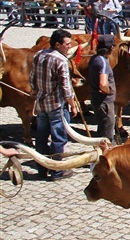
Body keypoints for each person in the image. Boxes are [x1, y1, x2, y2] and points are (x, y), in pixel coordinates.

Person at [29, 29, 78, 180]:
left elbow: (32, 79)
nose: (69, 47)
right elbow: (65, 87)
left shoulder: (39, 55)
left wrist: (36, 93)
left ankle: (42, 169)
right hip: (56, 105)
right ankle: (57, 171)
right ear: (58, 44)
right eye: (67, 44)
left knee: (41, 137)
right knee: (59, 138)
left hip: (42, 103)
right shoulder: (61, 60)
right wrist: (73, 104)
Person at [87, 34, 117, 142]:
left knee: (101, 128)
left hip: (96, 99)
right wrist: (109, 91)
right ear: (112, 47)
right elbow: (103, 83)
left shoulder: (94, 58)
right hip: (105, 102)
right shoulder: (103, 62)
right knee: (107, 134)